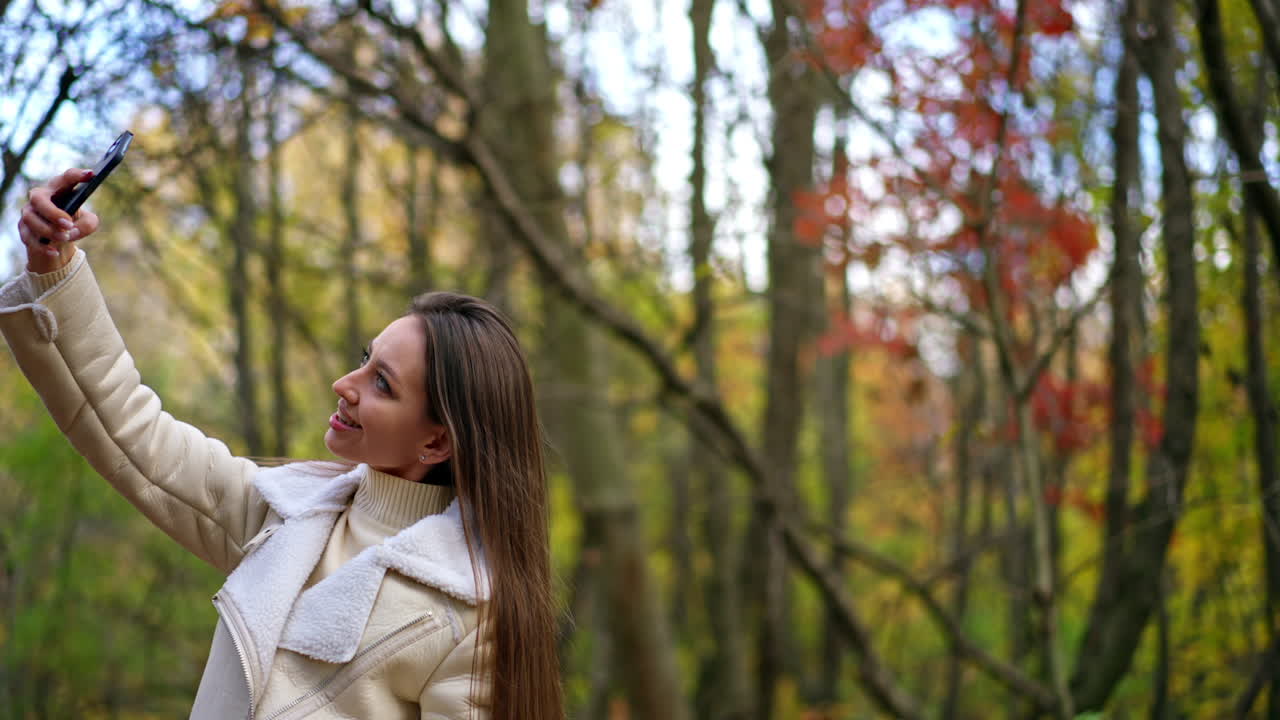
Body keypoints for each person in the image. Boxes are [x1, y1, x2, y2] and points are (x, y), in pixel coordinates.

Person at [2, 168, 564, 720]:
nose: (346, 385)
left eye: (383, 384)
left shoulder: (471, 615)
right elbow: (129, 430)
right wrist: (54, 269)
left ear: (438, 441)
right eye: (364, 360)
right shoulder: (284, 513)